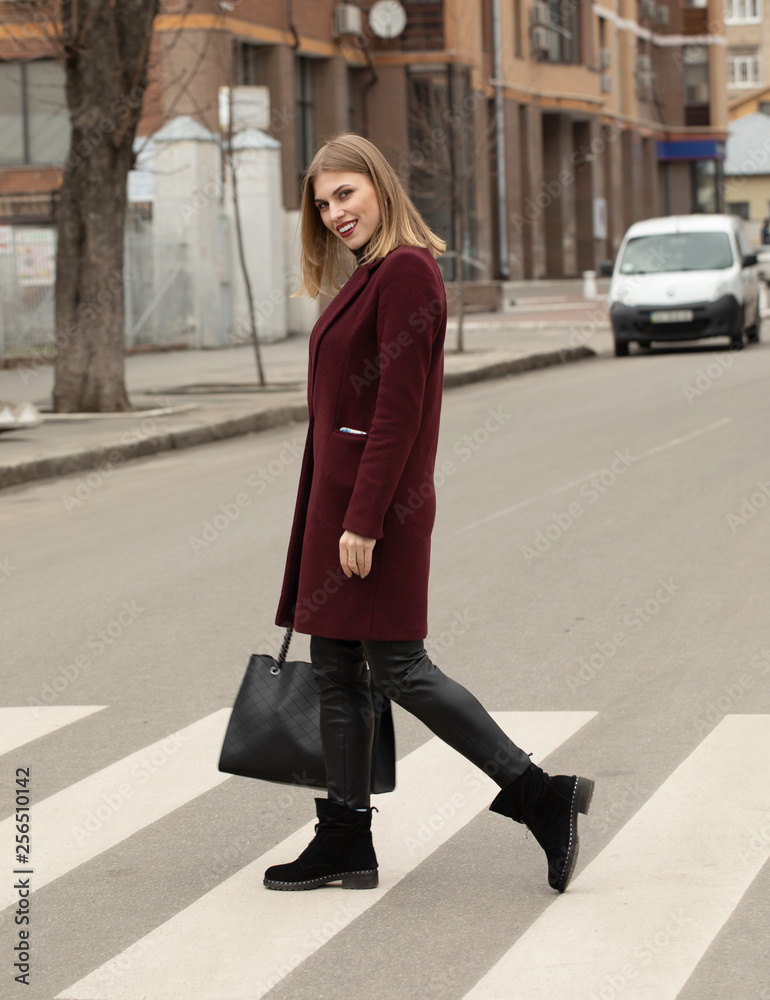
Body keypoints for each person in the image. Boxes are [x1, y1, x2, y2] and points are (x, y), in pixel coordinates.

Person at [265, 133, 594, 895]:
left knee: (401, 668)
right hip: (343, 504)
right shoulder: (370, 274)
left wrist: (365, 518)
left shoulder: (406, 272)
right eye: (321, 203)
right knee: (338, 667)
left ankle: (541, 796)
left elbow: (399, 410)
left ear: (379, 184)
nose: (334, 212)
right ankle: (345, 837)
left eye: (345, 193)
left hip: (371, 510)